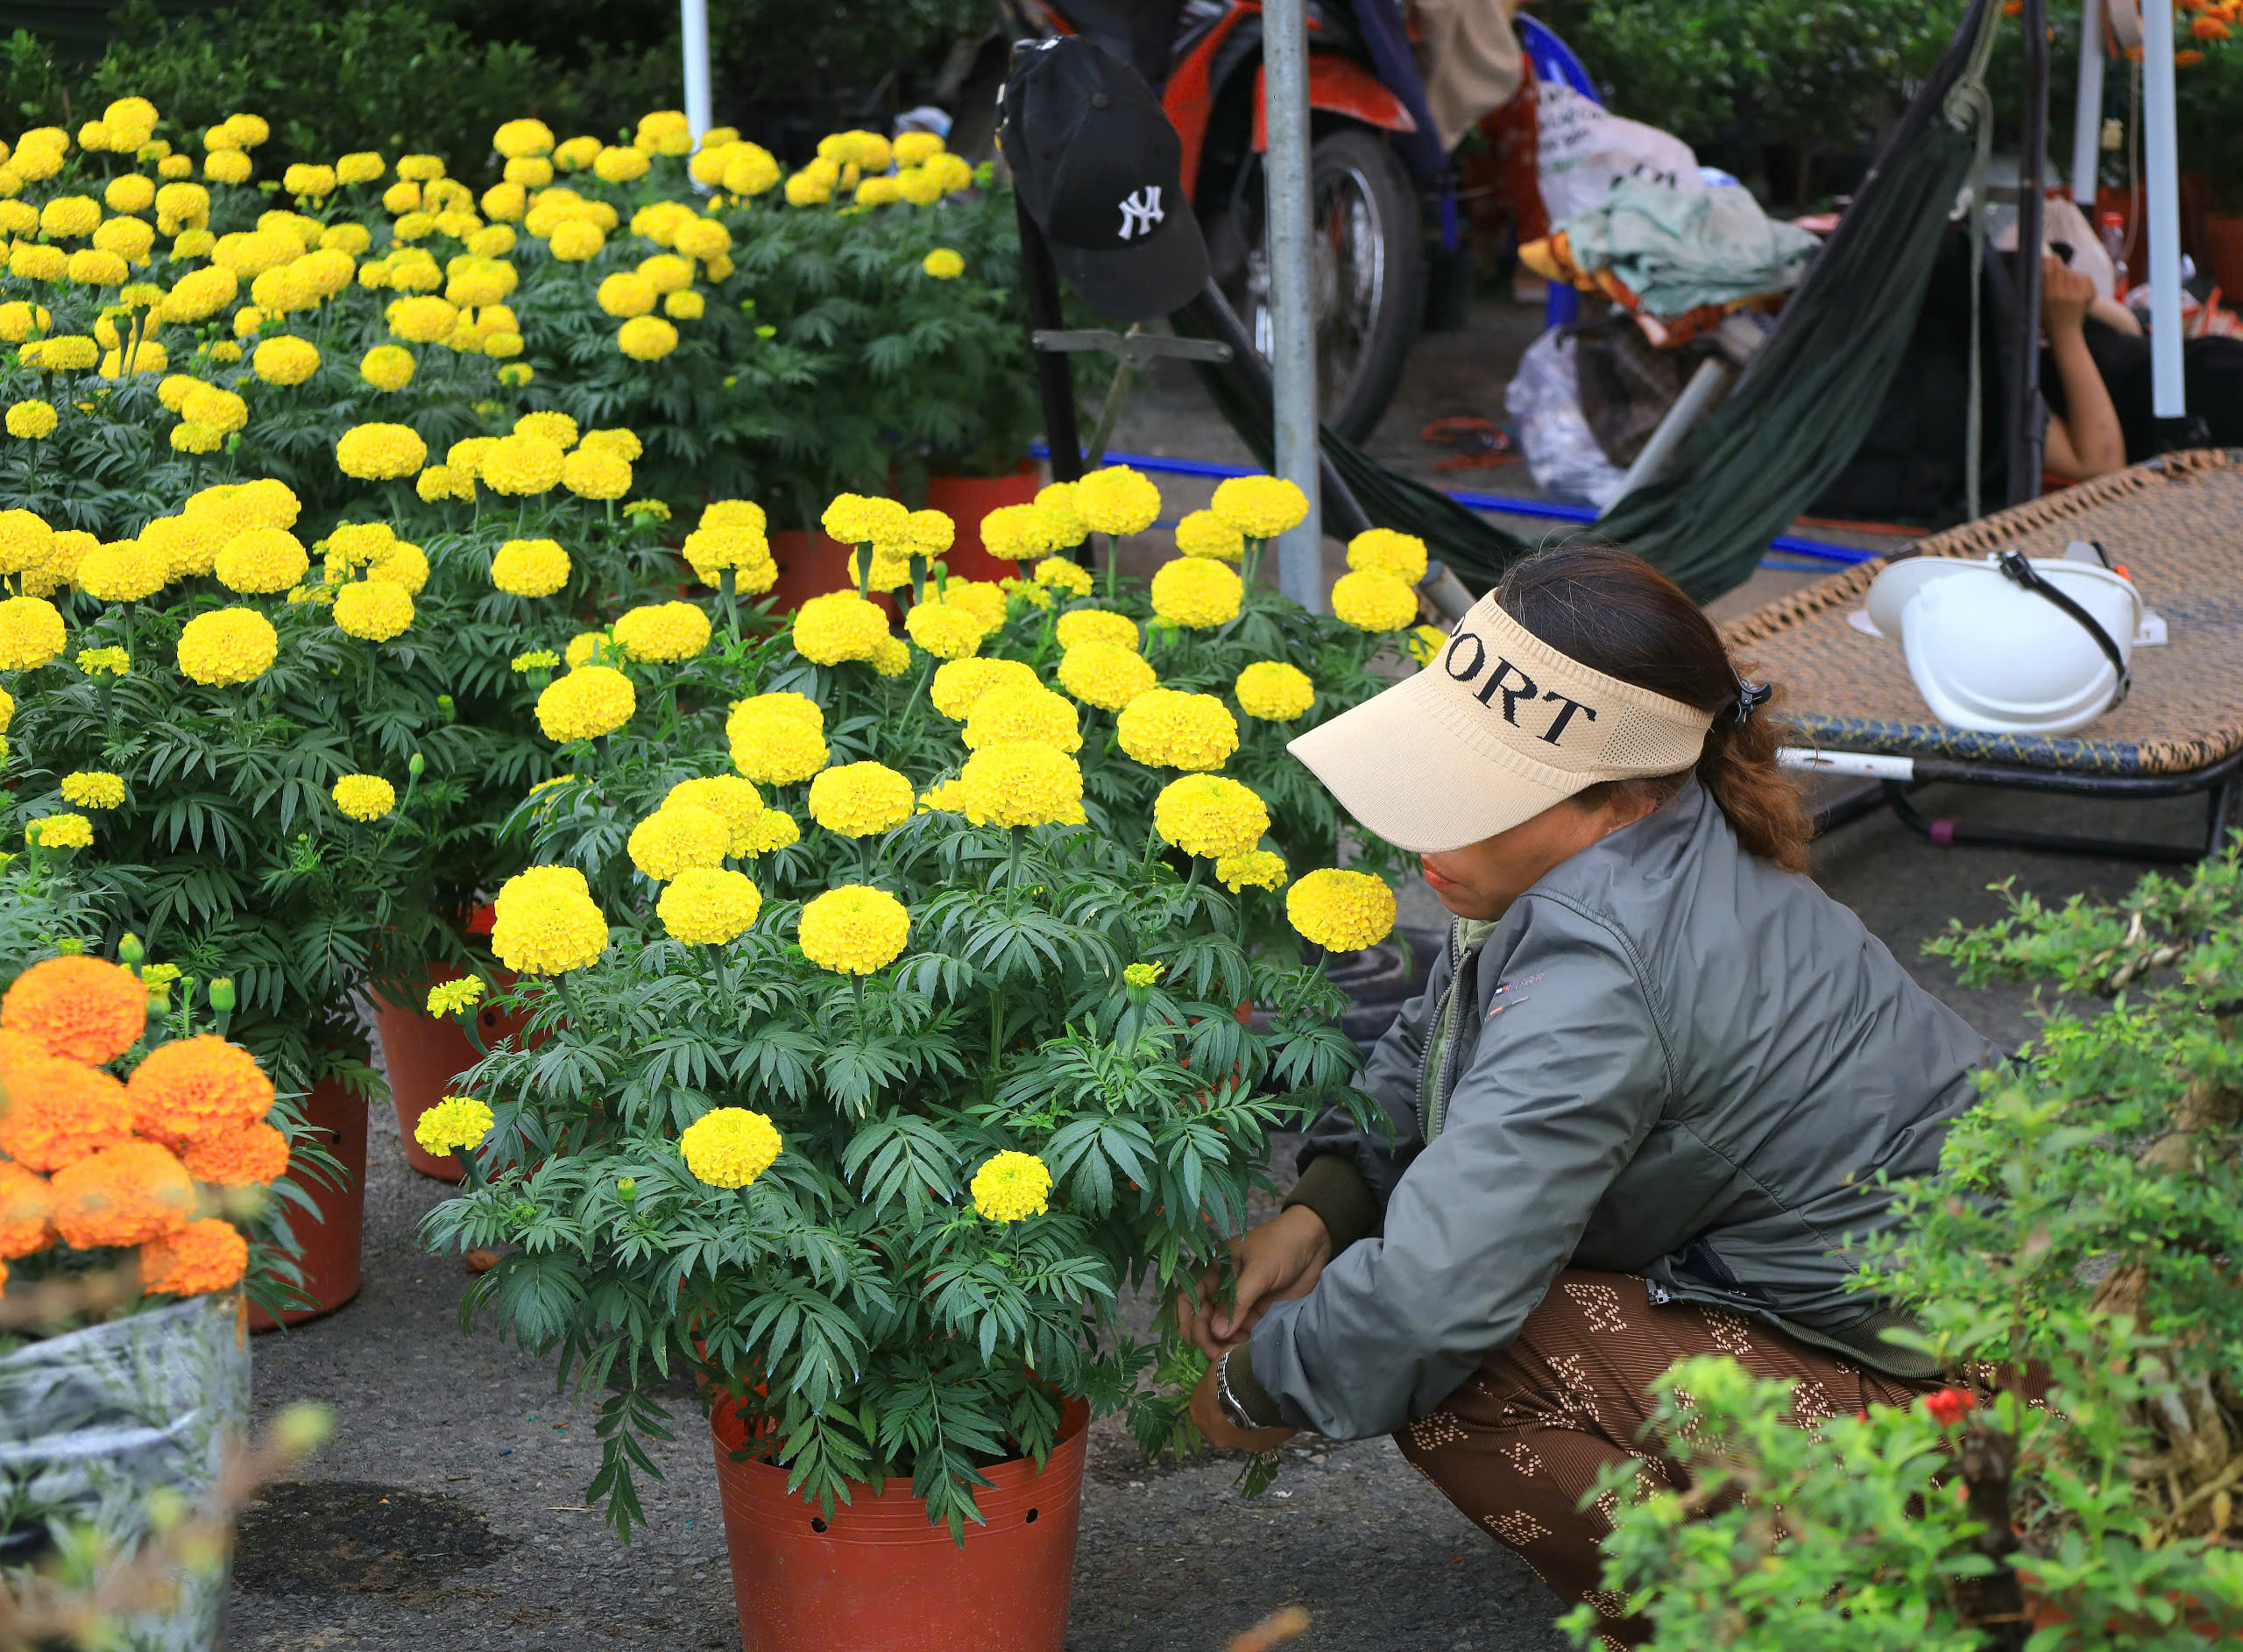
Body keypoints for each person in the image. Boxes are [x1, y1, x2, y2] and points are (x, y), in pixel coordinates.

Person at [1181, 544, 1997, 1649]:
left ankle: (1793, 1614)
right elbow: (1447, 1032)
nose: (1427, 832)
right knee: (1446, 1274)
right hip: (1935, 1332)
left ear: (1617, 798)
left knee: (1454, 1357)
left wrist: (1249, 1387)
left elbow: (1429, 1304)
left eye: (1475, 795)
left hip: (1947, 1414)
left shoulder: (1604, 965)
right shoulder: (1647, 840)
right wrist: (1324, 1207)